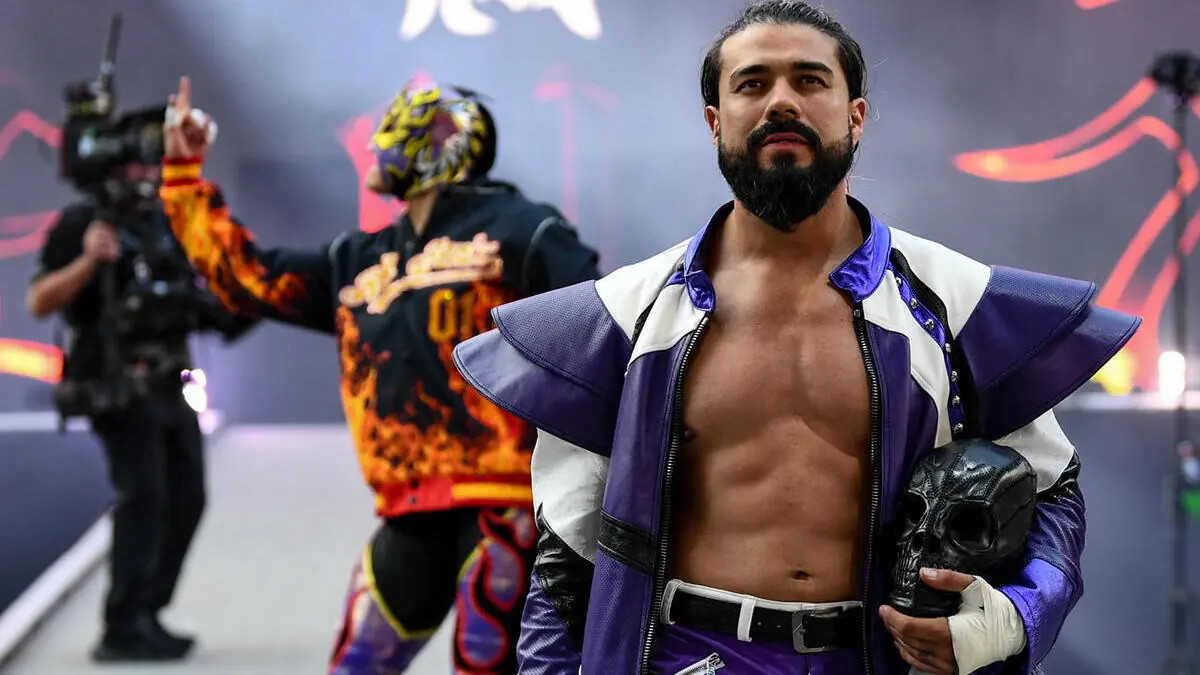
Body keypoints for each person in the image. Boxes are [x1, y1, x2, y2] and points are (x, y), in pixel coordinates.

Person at [451, 2, 1141, 674]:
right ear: (715, 121)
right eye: (752, 83)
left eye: (809, 80)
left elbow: (1050, 490)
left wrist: (1014, 619)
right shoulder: (624, 318)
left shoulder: (957, 302)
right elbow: (566, 558)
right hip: (689, 657)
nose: (781, 101)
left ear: (856, 115)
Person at [160, 76, 602, 674]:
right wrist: (183, 178)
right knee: (356, 665)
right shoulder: (360, 258)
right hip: (408, 507)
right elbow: (250, 279)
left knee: (487, 665)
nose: (376, 144)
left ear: (440, 144)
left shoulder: (523, 229)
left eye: (397, 130)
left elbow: (599, 328)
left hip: (507, 505)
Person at [27, 161, 208, 662]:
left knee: (188, 498)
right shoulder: (83, 222)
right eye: (138, 158)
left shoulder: (167, 221)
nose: (147, 169)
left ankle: (147, 611)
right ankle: (121, 624)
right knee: (144, 498)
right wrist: (89, 260)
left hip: (174, 380)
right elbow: (39, 301)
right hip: (116, 384)